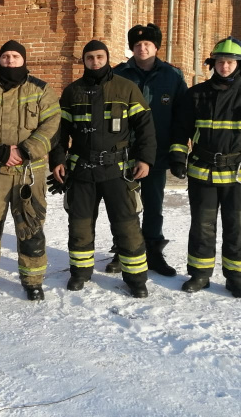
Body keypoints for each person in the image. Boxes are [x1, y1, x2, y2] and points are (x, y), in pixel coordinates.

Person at [169, 37, 241, 299]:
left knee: (237, 226)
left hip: (239, 174)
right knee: (202, 226)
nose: (225, 66)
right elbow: (179, 130)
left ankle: (236, 278)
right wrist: (177, 157)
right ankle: (199, 274)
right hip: (202, 172)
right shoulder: (196, 94)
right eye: (221, 62)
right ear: (213, 63)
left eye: (231, 62)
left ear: (239, 64)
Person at [49, 40, 156, 298]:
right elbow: (59, 132)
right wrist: (57, 160)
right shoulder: (72, 92)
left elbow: (145, 128)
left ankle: (136, 278)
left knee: (127, 226)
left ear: (107, 58)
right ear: (83, 61)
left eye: (99, 57)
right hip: (82, 169)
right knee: (80, 225)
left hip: (117, 170)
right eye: (90, 58)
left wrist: (145, 159)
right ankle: (80, 273)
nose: (95, 62)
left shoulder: (126, 88)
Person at [0, 40, 61, 301]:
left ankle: (33, 280)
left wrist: (26, 150)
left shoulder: (41, 90)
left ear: (23, 60)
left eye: (15, 57)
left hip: (30, 172)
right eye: (5, 56)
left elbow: (52, 124)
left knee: (31, 229)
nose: (10, 61)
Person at [112, 23, 188, 276]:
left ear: (156, 47)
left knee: (153, 204)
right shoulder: (118, 74)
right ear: (131, 48)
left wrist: (179, 152)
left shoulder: (172, 76)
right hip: (123, 151)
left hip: (157, 152)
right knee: (124, 204)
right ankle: (123, 249)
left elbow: (182, 116)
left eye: (147, 44)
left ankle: (154, 251)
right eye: (137, 45)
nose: (142, 48)